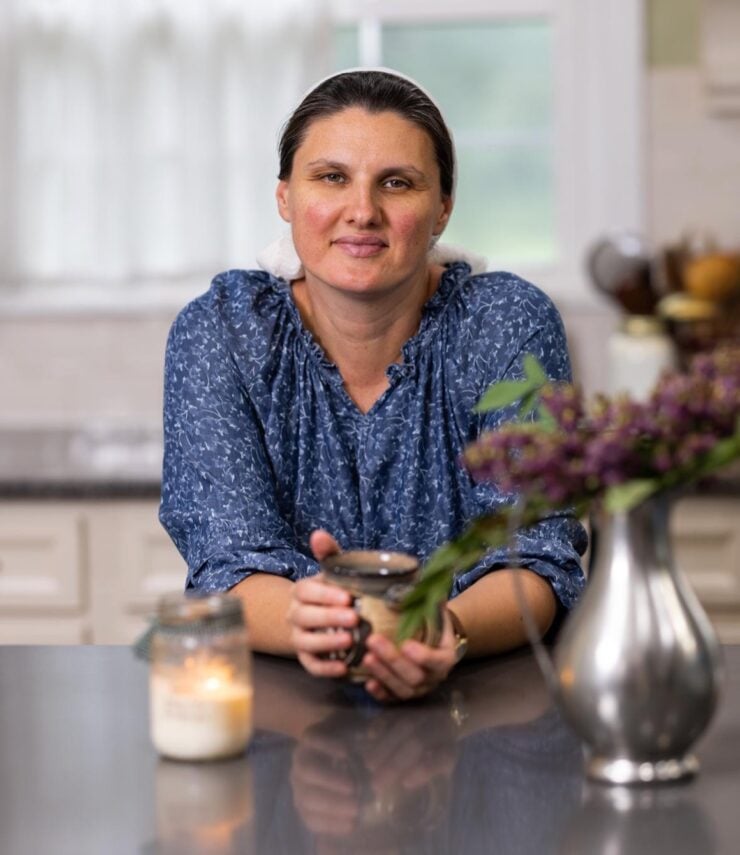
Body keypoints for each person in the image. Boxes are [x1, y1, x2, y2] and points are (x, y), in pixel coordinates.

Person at [160, 68, 587, 703]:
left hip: (480, 696)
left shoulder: (507, 323)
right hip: (282, 702)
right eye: (332, 177)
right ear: (285, 197)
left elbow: (536, 554)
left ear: (442, 209)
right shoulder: (223, 331)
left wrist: (442, 630)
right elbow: (228, 559)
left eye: (397, 182)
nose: (362, 211)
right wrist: (310, 622)